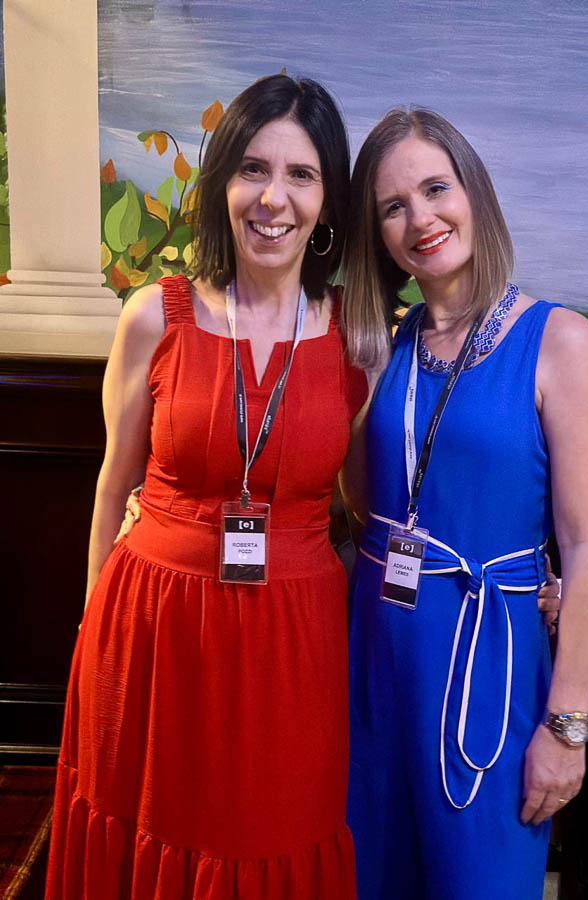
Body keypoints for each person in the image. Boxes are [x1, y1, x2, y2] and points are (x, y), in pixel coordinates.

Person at [45, 74, 367, 899]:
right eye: (253, 168)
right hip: (151, 629)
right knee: (142, 829)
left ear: (327, 202)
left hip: (294, 643)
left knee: (273, 836)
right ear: (222, 181)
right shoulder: (155, 315)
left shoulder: (356, 338)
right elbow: (113, 480)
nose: (273, 198)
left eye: (300, 175)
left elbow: (374, 506)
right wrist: (91, 626)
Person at [341, 109, 588, 899]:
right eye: (392, 207)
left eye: (435, 189)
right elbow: (355, 503)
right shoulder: (385, 346)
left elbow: (587, 548)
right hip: (373, 671)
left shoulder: (558, 340)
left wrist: (566, 727)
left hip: (486, 670)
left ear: (473, 193)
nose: (419, 219)